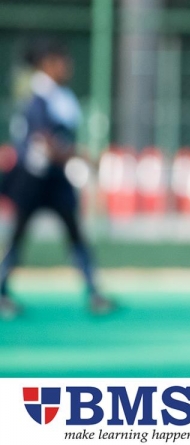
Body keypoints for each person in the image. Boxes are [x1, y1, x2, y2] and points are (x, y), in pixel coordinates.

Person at [0, 38, 114, 319]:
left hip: (56, 179)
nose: (68, 66)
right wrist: (82, 157)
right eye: (62, 60)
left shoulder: (60, 96)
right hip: (32, 179)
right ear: (47, 64)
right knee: (18, 236)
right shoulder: (38, 97)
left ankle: (94, 292)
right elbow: (45, 144)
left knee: (75, 234)